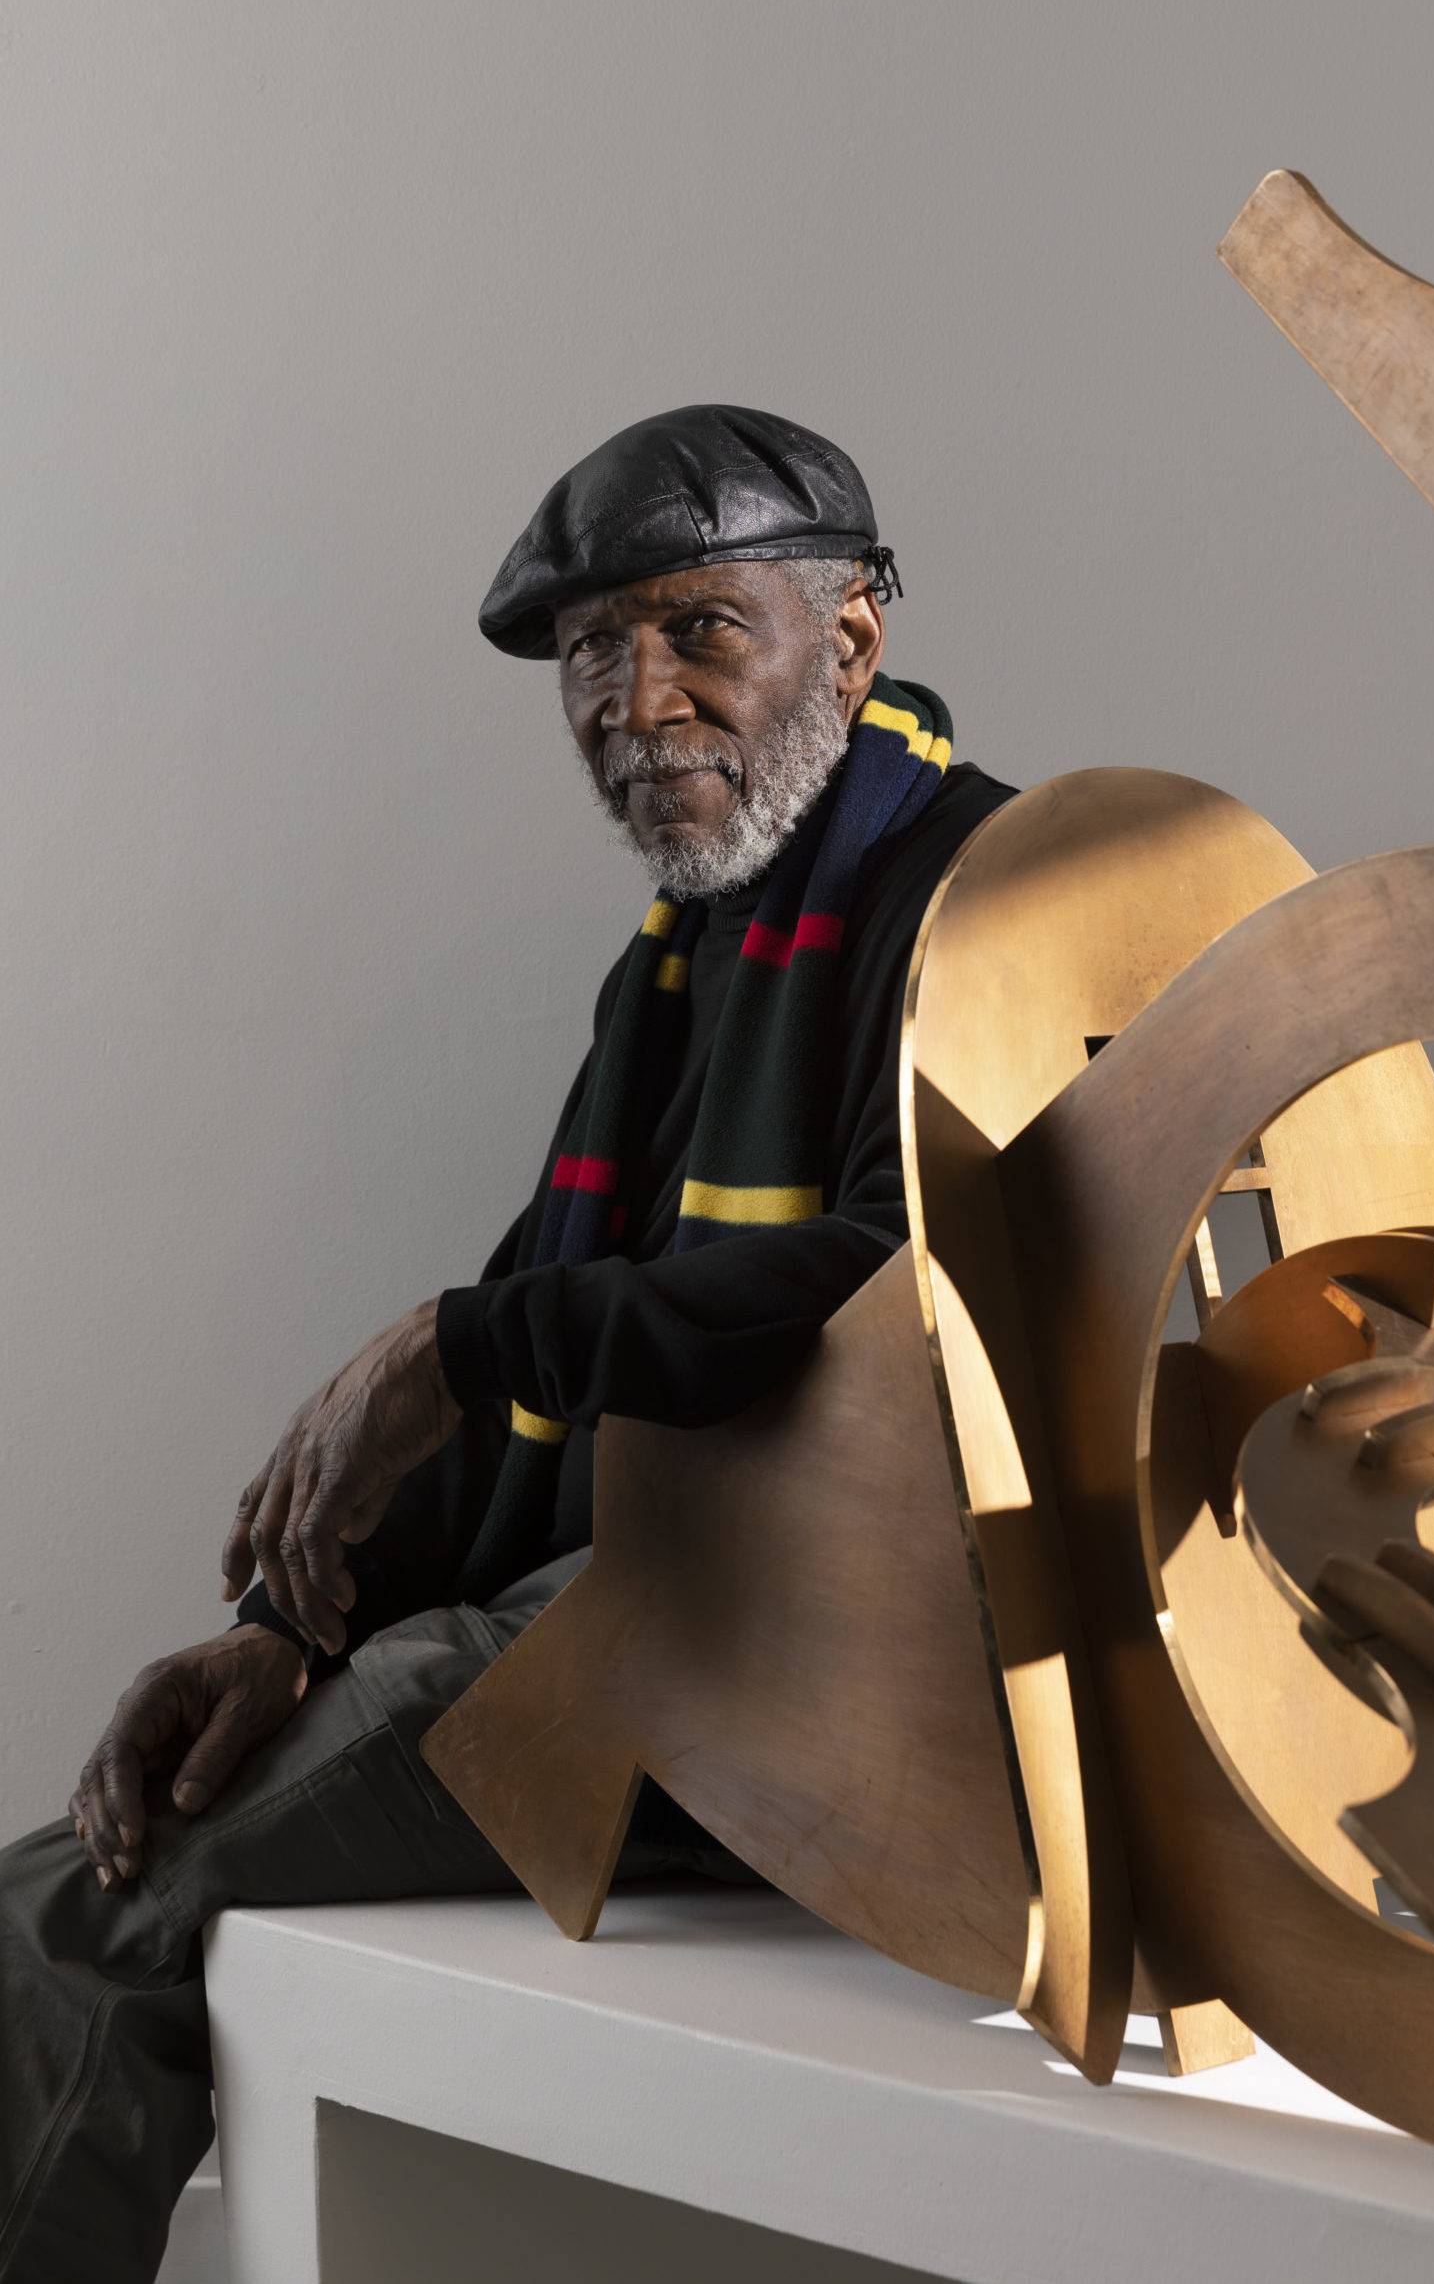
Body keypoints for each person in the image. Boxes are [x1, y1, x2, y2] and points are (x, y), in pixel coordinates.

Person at [0, 405, 1015, 2283]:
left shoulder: (992, 892)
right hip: (658, 1606)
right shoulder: (686, 952)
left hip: (833, 1662)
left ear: (852, 639)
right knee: (74, 1871)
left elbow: (911, 1301)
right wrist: (292, 1626)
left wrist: (465, 1342)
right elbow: (555, 1339)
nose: (636, 697)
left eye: (700, 627)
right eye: (588, 652)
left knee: (78, 1921)